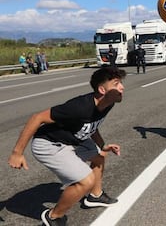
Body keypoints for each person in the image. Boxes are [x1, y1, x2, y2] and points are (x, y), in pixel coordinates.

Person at [8, 67, 126, 225]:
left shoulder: (108, 103)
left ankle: (95, 196)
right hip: (49, 144)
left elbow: (91, 125)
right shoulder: (79, 107)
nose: (122, 87)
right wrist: (17, 153)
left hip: (73, 139)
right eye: (117, 84)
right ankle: (53, 217)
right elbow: (37, 118)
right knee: (86, 181)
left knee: (99, 156)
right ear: (102, 89)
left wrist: (102, 145)